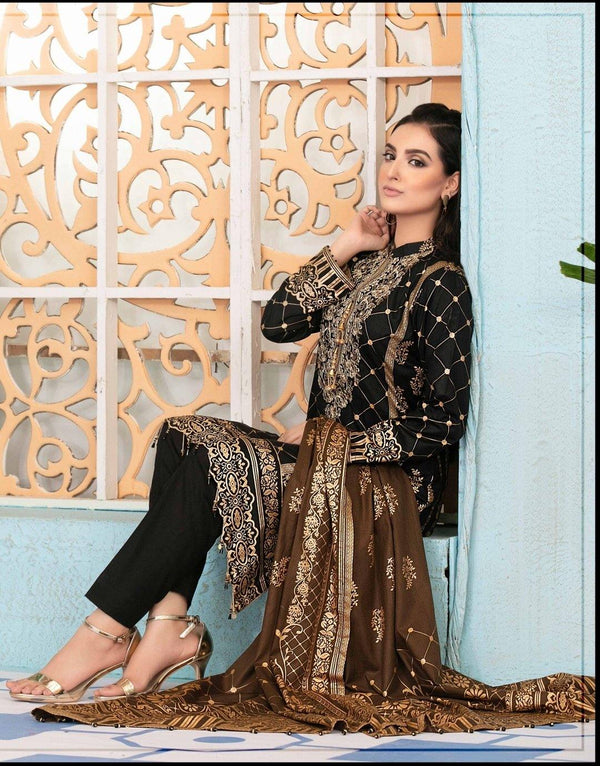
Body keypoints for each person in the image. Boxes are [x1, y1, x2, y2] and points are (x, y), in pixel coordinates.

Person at [7, 103, 594, 736]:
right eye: (390, 155)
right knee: (182, 435)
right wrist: (346, 244)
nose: (394, 171)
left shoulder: (441, 283)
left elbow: (442, 422)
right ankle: (167, 626)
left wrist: (332, 442)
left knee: (207, 459)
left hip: (384, 484)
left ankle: (109, 632)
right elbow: (279, 322)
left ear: (449, 183)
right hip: (318, 462)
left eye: (416, 161)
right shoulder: (364, 264)